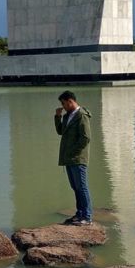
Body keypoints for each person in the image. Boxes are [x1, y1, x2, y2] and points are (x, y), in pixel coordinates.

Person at [54, 90, 92, 225]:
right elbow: (60, 131)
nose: (63, 106)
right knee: (75, 187)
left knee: (82, 187)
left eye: (63, 103)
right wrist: (58, 116)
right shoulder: (67, 116)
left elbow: (86, 138)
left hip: (77, 158)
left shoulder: (81, 115)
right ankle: (79, 213)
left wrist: (74, 152)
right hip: (69, 158)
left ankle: (87, 217)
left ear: (70, 101)